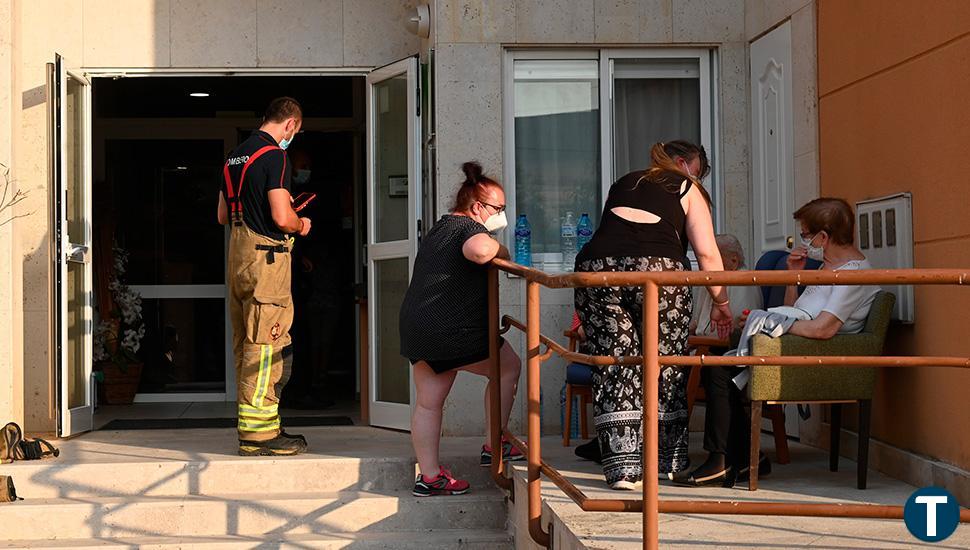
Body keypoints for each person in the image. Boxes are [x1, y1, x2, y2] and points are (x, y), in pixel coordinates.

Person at [677, 197, 880, 487]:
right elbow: (798, 311)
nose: (803, 241)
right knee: (719, 368)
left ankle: (722, 460)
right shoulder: (829, 266)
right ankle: (743, 457)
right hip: (796, 345)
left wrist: (771, 323)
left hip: (815, 355)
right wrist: (791, 279)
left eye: (806, 235)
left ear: (823, 237)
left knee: (720, 370)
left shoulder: (852, 275)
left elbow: (823, 329)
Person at [574, 141, 733, 490]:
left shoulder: (625, 181)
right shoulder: (686, 187)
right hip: (658, 272)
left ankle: (623, 469)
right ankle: (664, 462)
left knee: (616, 362)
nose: (699, 178)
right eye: (699, 171)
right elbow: (707, 254)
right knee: (666, 362)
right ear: (683, 163)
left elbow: (613, 234)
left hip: (596, 271)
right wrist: (721, 303)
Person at [400, 162, 523, 497]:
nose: (502, 216)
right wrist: (503, 250)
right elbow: (481, 252)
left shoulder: (442, 227)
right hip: (453, 329)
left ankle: (429, 476)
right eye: (499, 209)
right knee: (509, 367)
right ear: (477, 207)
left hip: (419, 327)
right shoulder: (470, 229)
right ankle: (492, 444)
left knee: (428, 402)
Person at [217, 97, 311, 456]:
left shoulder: (232, 158)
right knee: (268, 345)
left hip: (238, 255)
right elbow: (281, 217)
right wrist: (301, 224)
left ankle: (258, 424)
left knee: (246, 343)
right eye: (295, 132)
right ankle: (259, 436)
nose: (293, 138)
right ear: (290, 125)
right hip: (266, 260)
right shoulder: (275, 156)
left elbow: (223, 215)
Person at [690, 234, 762, 337]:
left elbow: (732, 331)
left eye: (714, 259)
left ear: (734, 261)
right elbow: (697, 323)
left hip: (715, 348)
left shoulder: (743, 282)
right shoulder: (711, 277)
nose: (708, 264)